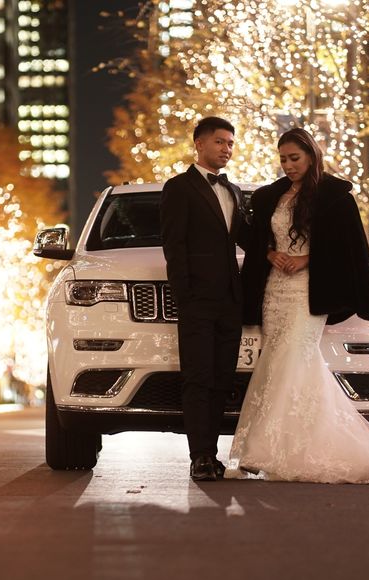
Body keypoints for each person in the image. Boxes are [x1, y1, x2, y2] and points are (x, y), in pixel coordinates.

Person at [227, 127, 369, 484]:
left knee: (293, 357)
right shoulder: (271, 196)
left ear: (311, 155)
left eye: (294, 158)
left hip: (309, 292)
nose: (288, 165)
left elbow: (348, 247)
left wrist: (307, 258)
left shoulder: (335, 197)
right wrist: (270, 254)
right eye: (283, 159)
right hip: (274, 290)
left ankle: (263, 451)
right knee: (277, 361)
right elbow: (253, 236)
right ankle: (276, 447)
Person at [160, 116, 250, 481]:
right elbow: (174, 245)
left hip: (230, 301)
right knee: (197, 378)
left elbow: (248, 239)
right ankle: (199, 456)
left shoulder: (234, 191)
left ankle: (212, 455)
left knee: (221, 379)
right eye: (220, 142)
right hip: (197, 299)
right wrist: (185, 296)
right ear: (199, 144)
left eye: (230, 143)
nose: (227, 149)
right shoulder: (179, 187)